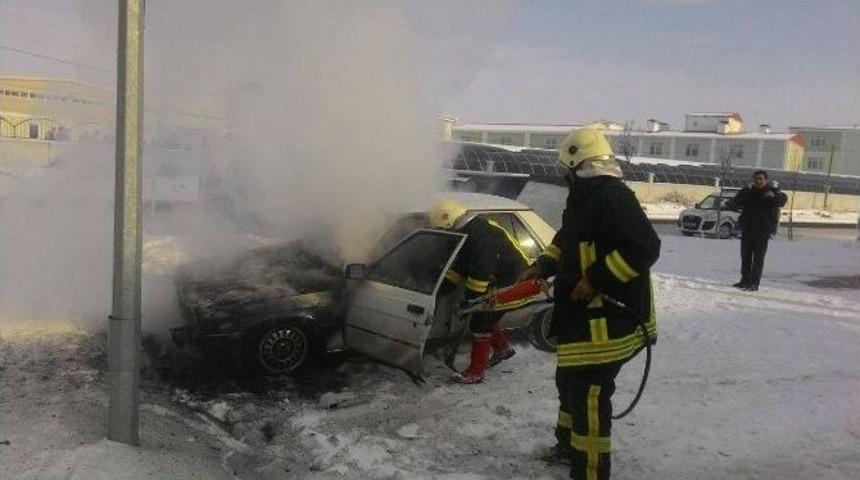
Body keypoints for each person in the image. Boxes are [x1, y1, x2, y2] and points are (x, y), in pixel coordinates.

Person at [520, 127, 660, 480]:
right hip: (583, 317)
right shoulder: (585, 196)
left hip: (608, 321)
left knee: (589, 396)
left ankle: (591, 471)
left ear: (575, 162)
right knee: (568, 381)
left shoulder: (612, 196)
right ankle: (567, 445)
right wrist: (542, 265)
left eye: (564, 168)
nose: (562, 175)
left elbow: (644, 247)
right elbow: (567, 239)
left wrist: (595, 279)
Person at [430, 198, 534, 384]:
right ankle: (503, 349)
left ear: (452, 220)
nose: (445, 232)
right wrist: (444, 286)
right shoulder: (468, 231)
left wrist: (472, 301)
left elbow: (481, 269)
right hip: (499, 279)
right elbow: (462, 265)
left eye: (445, 228)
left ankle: (476, 372)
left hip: (515, 280)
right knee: (486, 315)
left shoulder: (479, 233)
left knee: (480, 323)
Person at [727, 170, 787, 291]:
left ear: (766, 180)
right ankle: (744, 280)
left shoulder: (772, 191)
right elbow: (736, 202)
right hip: (748, 228)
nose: (758, 181)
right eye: (756, 179)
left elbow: (782, 200)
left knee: (758, 258)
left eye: (761, 179)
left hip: (762, 230)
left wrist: (774, 195)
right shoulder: (749, 191)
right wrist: (745, 190)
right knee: (745, 257)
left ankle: (754, 283)